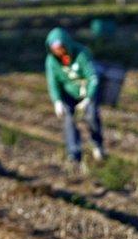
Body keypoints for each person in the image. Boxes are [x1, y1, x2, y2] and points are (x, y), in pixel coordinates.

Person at [44, 27, 105, 167]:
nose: (58, 51)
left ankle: (97, 145)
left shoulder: (81, 54)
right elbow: (53, 83)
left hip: (86, 92)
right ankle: (74, 153)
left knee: (92, 117)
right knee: (69, 119)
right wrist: (57, 101)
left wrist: (88, 99)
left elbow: (92, 77)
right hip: (69, 93)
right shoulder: (51, 61)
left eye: (60, 48)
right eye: (55, 49)